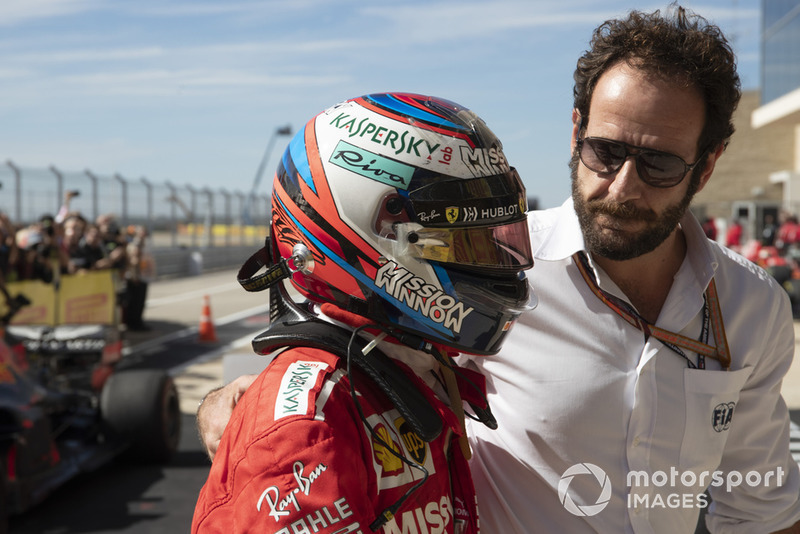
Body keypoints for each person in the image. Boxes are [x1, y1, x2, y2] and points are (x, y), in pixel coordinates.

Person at [197, 6, 800, 533]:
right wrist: (233, 406)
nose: (622, 187)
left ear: (708, 163)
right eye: (605, 151)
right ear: (575, 131)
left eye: (660, 165)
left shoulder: (752, 305)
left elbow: (759, 508)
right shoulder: (473, 264)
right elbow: (343, 363)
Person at [191, 92, 535, 533]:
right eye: (459, 238)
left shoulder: (408, 360)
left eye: (489, 236)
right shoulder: (307, 430)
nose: (490, 260)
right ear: (379, 230)